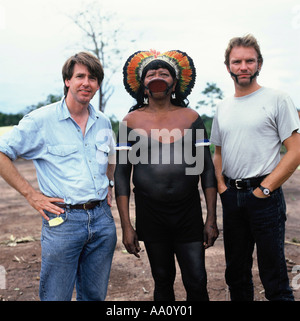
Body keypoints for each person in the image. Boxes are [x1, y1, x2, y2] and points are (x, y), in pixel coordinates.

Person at [0, 52, 117, 301]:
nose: (87, 82)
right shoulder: (41, 121)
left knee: (95, 296)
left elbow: (111, 157)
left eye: (93, 78)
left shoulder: (103, 122)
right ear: (67, 81)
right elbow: (2, 153)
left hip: (101, 220)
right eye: (80, 76)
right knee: (56, 296)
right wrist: (31, 196)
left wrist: (110, 184)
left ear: (98, 84)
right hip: (63, 221)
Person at [114, 49, 219, 301]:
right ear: (143, 86)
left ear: (175, 84)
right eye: (151, 74)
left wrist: (211, 218)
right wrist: (127, 226)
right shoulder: (129, 122)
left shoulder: (191, 118)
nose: (157, 77)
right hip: (151, 214)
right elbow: (121, 174)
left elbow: (206, 169)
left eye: (163, 73)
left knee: (197, 279)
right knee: (162, 279)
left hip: (187, 211)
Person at [210, 34, 300, 301]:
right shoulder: (222, 107)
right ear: (228, 66)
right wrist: (223, 188)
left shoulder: (277, 99)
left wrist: (265, 189)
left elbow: (295, 151)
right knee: (236, 274)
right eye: (237, 62)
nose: (243, 67)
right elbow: (217, 153)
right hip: (232, 196)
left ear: (259, 64)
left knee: (273, 275)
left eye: (250, 61)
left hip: (265, 197)